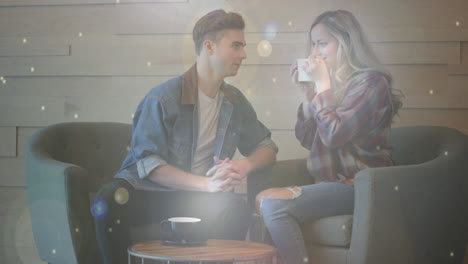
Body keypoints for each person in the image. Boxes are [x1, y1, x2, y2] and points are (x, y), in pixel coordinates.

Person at [93, 9, 278, 264]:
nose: (243, 54)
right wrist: (207, 185)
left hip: (196, 200)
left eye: (243, 46)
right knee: (108, 199)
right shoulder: (163, 98)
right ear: (209, 46)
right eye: (236, 46)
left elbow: (266, 146)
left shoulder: (235, 102)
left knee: (235, 208)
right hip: (149, 193)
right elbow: (150, 165)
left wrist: (243, 165)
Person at [256, 10, 403, 264]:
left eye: (323, 43)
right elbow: (307, 138)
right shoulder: (330, 86)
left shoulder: (370, 83)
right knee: (262, 198)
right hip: (329, 183)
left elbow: (335, 135)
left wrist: (323, 86)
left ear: (346, 43)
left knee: (272, 205)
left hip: (361, 186)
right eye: (313, 44)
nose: (316, 52)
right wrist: (308, 94)